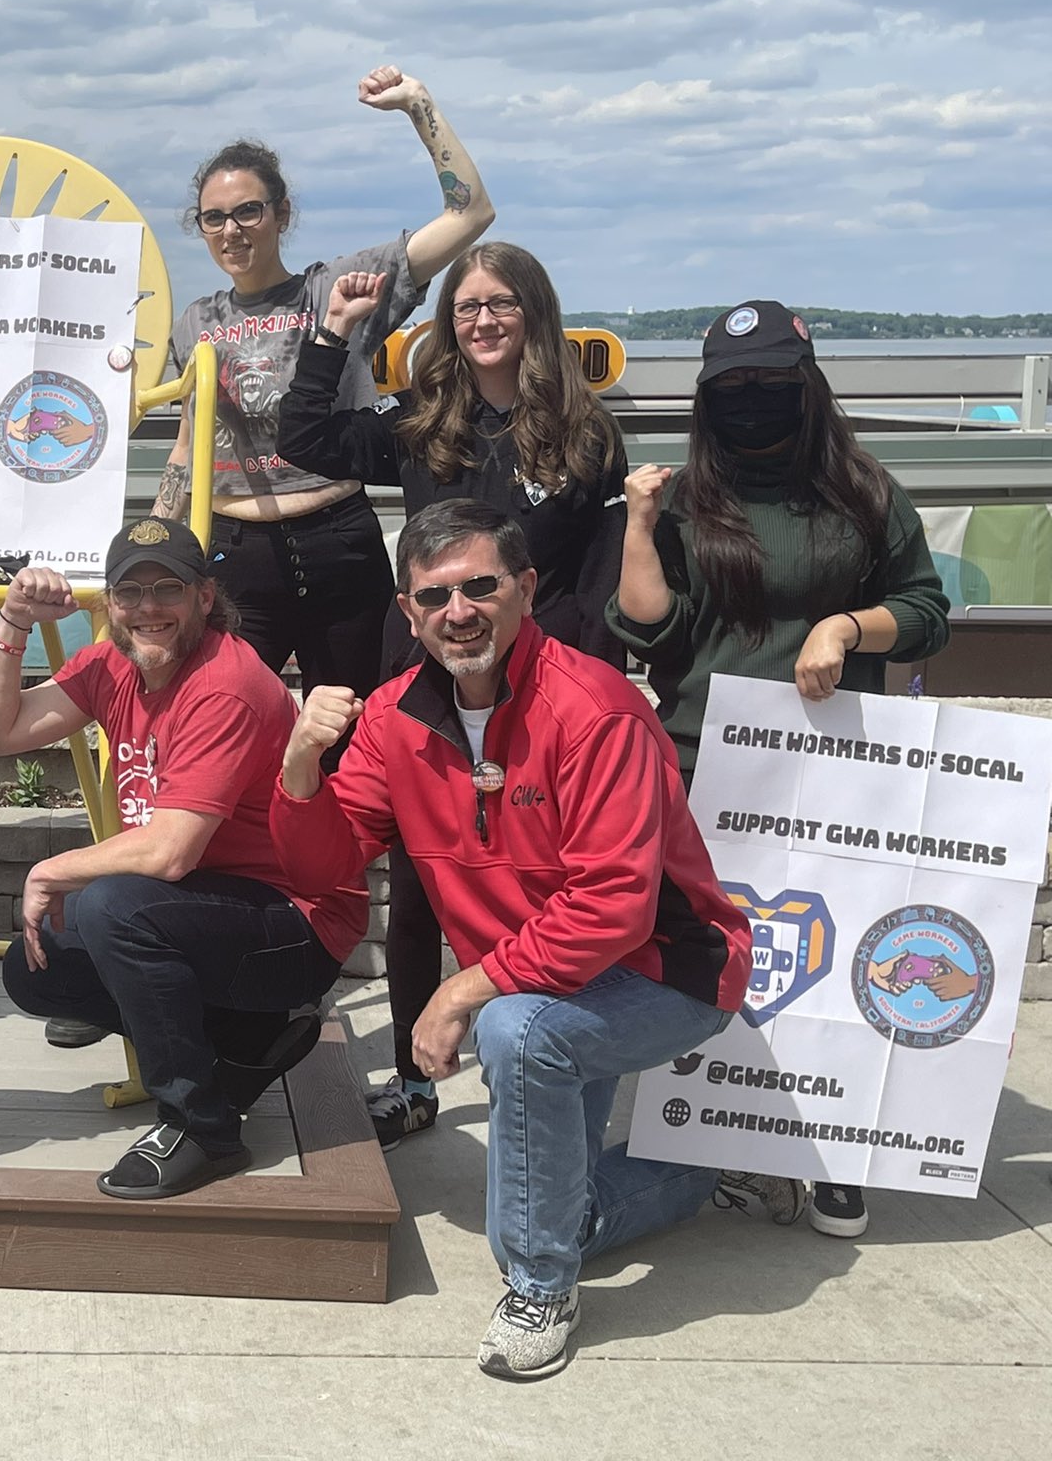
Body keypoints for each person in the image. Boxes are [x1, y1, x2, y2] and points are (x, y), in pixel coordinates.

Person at [272, 498, 808, 1381]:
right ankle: (706, 1175)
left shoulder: (595, 708)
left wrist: (460, 990)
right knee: (548, 1194)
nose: (459, 612)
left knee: (518, 1048)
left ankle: (543, 1290)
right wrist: (300, 766)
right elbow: (321, 869)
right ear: (407, 612)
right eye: (434, 596)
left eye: (481, 586)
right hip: (543, 977)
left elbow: (614, 909)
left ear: (524, 589)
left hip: (668, 972)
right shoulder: (397, 715)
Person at [608, 300, 952, 1241]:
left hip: (838, 768)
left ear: (808, 388)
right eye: (732, 387)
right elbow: (647, 632)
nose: (752, 401)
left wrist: (845, 626)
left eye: (771, 383)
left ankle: (837, 1155)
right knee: (712, 959)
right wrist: (640, 523)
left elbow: (925, 608)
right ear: (706, 398)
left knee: (839, 965)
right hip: (701, 764)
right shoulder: (680, 498)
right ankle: (707, 1127)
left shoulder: (866, 493)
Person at [275, 241, 626, 1150]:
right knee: (424, 879)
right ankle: (411, 1074)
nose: (482, 320)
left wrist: (582, 687)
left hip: (537, 690)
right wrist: (335, 334)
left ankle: (543, 1051)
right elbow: (303, 438)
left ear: (533, 312)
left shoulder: (585, 430)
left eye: (500, 302)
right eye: (467, 306)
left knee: (542, 875)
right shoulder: (429, 417)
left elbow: (592, 580)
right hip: (425, 680)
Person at [0, 517, 366, 1200]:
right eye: (130, 591)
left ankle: (201, 1126)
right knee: (37, 968)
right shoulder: (112, 663)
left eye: (167, 589)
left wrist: (50, 869)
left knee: (111, 904)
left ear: (204, 597)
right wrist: (14, 620)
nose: (148, 608)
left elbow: (172, 851)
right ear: (111, 603)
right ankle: (243, 1040)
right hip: (208, 911)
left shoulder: (226, 683)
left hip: (295, 928)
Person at [152, 65, 494, 708]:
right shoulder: (196, 321)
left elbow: (470, 213)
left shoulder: (332, 286)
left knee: (358, 735)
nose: (232, 231)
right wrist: (150, 554)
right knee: (221, 726)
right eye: (213, 218)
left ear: (281, 214)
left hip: (337, 542)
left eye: (249, 211)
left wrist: (418, 105)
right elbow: (186, 448)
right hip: (234, 554)